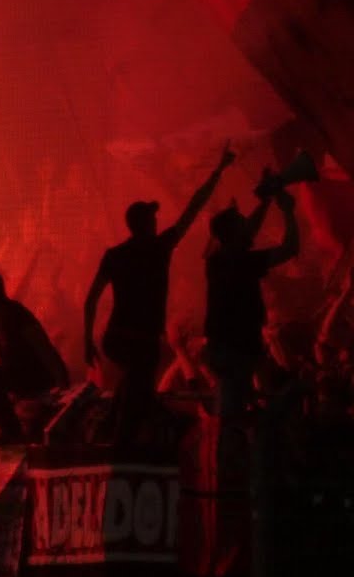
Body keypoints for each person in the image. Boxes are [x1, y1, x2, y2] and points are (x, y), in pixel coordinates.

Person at [85, 144, 234, 446]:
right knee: (137, 392)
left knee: (134, 387)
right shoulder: (159, 248)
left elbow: (91, 299)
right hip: (142, 340)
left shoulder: (115, 255)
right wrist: (218, 172)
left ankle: (109, 434)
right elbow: (193, 209)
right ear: (146, 223)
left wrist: (88, 339)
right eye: (152, 218)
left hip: (115, 338)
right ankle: (121, 448)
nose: (156, 221)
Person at [205, 182, 300, 419]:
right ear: (236, 232)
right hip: (237, 346)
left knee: (234, 404)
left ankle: (230, 447)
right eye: (241, 223)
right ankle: (228, 451)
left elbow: (247, 232)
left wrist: (265, 201)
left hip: (224, 345)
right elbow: (290, 248)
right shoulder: (243, 262)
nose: (247, 226)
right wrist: (288, 211)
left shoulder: (216, 259)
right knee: (233, 411)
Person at [0, 270, 69, 444]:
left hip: (36, 376)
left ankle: (12, 434)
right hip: (20, 376)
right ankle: (11, 431)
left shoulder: (15, 314)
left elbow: (42, 345)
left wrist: (62, 379)